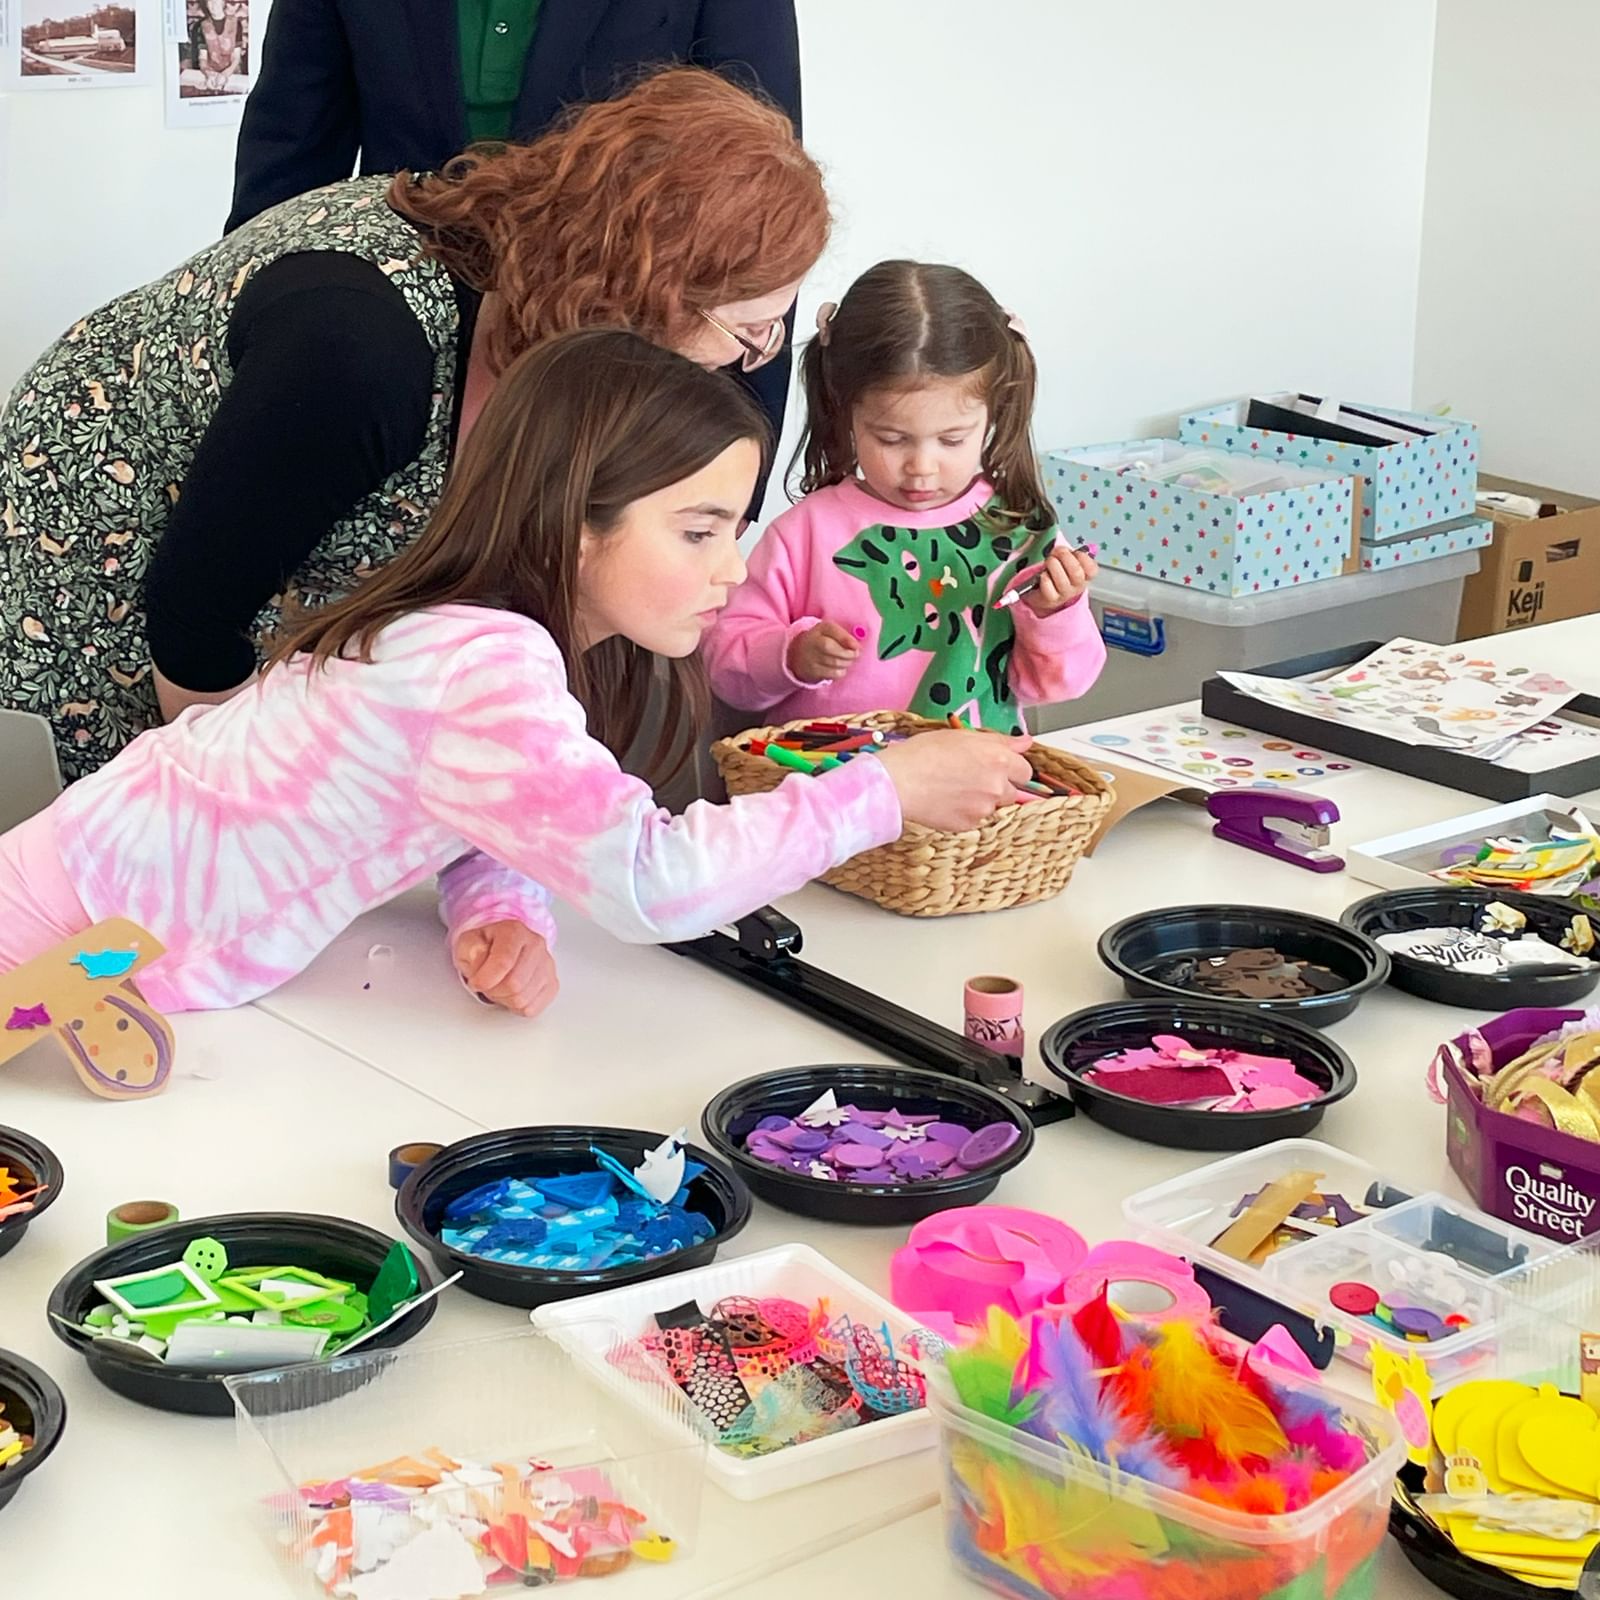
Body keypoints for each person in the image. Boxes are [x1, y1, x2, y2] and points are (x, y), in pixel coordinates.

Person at [0, 331, 1036, 1017]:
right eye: (698, 531)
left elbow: (470, 799)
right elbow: (653, 883)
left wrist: (499, 904)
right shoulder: (485, 665)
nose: (734, 568)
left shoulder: (468, 637)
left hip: (91, 944)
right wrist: (881, 792)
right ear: (575, 524)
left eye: (735, 528)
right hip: (60, 958)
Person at [0, 68, 823, 782]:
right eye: (747, 331)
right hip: (88, 577)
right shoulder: (361, 347)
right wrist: (252, 813)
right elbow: (195, 624)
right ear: (644, 290)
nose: (747, 359)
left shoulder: (536, 291)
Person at [226, 0, 802, 455]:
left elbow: (762, 206)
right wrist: (244, 367)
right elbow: (289, 162)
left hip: (606, 388)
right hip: (386, 363)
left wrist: (734, 457)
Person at [703, 261, 1107, 733]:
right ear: (844, 410)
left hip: (976, 777)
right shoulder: (805, 534)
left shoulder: (1019, 527)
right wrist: (790, 654)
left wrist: (1055, 613)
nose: (922, 466)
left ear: (994, 414)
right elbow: (724, 668)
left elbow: (1060, 685)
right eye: (891, 439)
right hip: (833, 777)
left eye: (952, 440)